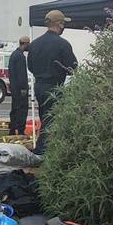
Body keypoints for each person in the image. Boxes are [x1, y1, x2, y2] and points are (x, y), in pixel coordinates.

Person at [26, 10, 78, 153]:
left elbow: (30, 66)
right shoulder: (62, 44)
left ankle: (46, 148)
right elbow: (73, 67)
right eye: (64, 24)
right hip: (55, 87)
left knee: (44, 117)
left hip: (39, 86)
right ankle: (42, 151)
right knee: (52, 120)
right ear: (60, 24)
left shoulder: (34, 44)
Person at [7, 35, 31, 138]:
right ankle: (21, 129)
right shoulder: (21, 56)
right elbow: (21, 74)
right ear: (25, 44)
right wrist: (23, 88)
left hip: (14, 86)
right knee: (22, 108)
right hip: (20, 88)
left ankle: (12, 129)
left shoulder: (13, 54)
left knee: (14, 108)